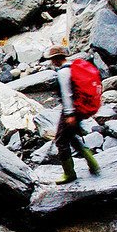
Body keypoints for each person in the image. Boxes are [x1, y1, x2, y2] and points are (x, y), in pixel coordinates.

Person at [44, 45, 100, 185]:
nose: (51, 62)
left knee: (61, 140)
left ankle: (69, 173)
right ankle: (93, 163)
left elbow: (67, 94)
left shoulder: (63, 72)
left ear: (56, 59)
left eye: (52, 59)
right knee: (72, 136)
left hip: (71, 111)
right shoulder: (72, 68)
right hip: (79, 109)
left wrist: (69, 114)